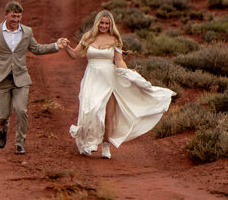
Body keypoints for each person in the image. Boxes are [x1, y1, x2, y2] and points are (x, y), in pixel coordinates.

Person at [59, 10, 173, 159]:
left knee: (107, 114)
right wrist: (66, 46)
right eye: (102, 22)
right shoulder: (88, 36)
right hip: (91, 77)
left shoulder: (115, 39)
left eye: (107, 23)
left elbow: (119, 61)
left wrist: (127, 73)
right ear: (97, 23)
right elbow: (75, 54)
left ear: (111, 24)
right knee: (89, 109)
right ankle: (90, 141)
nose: (104, 25)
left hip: (109, 77)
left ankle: (105, 146)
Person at [0, 1, 67, 155]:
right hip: (1, 79)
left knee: (21, 110)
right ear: (6, 15)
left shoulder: (27, 32)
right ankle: (3, 128)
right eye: (13, 16)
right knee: (4, 114)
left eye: (19, 17)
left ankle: (19, 143)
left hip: (21, 79)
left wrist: (56, 45)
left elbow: (36, 49)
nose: (16, 20)